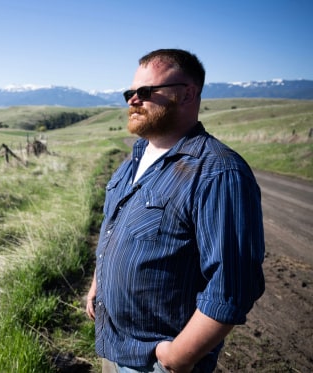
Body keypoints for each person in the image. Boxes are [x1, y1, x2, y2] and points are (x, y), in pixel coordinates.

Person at [85, 49, 265, 373]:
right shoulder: (134, 161)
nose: (133, 100)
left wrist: (177, 357)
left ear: (187, 94)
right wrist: (98, 284)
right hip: (113, 345)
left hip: (157, 362)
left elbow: (233, 286)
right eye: (130, 93)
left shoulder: (217, 172)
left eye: (145, 92)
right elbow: (114, 226)